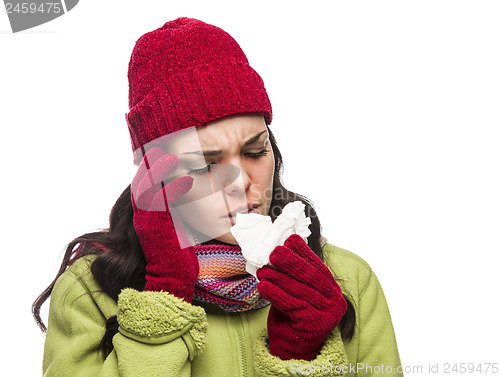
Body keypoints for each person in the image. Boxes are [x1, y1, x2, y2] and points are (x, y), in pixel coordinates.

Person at [33, 17, 403, 376]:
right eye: (204, 165)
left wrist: (299, 357)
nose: (241, 181)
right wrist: (164, 296)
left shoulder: (347, 279)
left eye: (256, 151)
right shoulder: (90, 292)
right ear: (155, 175)